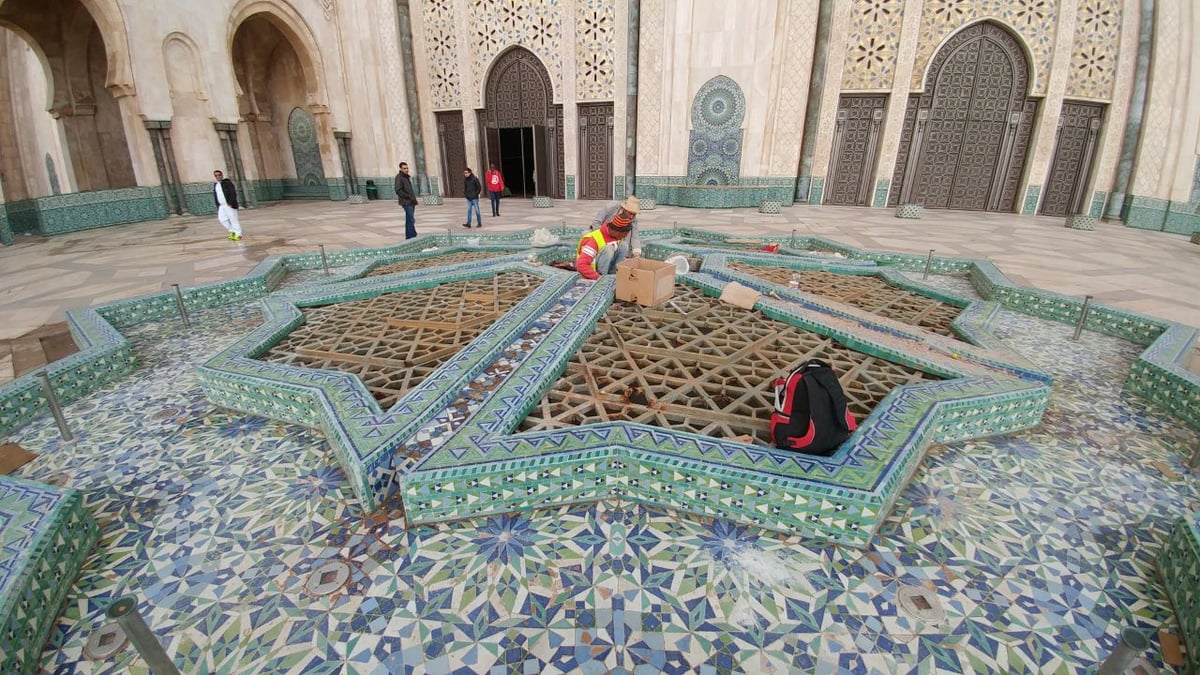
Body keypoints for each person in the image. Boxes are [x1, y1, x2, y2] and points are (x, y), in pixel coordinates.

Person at [575, 196, 643, 280]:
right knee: (608, 249)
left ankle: (613, 275)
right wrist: (598, 278)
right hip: (599, 244)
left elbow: (635, 236)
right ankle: (604, 277)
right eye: (631, 213)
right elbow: (580, 264)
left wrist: (636, 253)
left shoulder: (631, 220)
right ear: (625, 209)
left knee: (624, 246)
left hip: (610, 235)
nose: (633, 216)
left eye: (634, 214)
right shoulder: (610, 208)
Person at [212, 170, 242, 241]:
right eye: (216, 175)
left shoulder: (227, 183)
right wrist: (218, 204)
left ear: (222, 175)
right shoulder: (216, 185)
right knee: (222, 219)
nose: (218, 176)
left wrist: (231, 202)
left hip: (229, 205)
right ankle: (232, 231)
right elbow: (216, 195)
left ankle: (238, 234)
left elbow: (233, 193)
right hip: (221, 206)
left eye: (219, 175)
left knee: (233, 219)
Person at [394, 162, 417, 239]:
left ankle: (412, 234)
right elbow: (398, 190)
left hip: (411, 201)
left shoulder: (406, 177)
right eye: (404, 168)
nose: (406, 170)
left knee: (410, 219)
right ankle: (410, 236)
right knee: (410, 219)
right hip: (406, 202)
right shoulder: (399, 177)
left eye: (407, 168)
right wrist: (408, 196)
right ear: (400, 169)